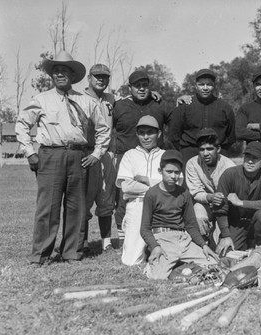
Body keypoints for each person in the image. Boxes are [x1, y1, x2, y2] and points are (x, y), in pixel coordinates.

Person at [15, 51, 110, 264]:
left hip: (80, 156)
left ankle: (72, 252)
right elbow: (21, 125)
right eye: (56, 71)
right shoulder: (41, 100)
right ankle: (41, 254)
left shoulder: (86, 101)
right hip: (51, 155)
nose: (60, 75)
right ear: (52, 75)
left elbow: (104, 130)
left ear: (73, 75)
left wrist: (96, 154)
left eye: (64, 71)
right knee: (47, 207)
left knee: (77, 207)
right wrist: (30, 152)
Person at [113, 70, 172, 242]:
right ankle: (124, 237)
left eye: (144, 85)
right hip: (126, 157)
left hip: (154, 157)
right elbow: (108, 128)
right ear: (129, 88)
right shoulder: (120, 105)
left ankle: (156, 233)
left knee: (156, 193)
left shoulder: (158, 104)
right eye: (137, 86)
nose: (141, 89)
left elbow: (175, 123)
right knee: (124, 197)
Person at [141, 150, 218, 280]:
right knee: (158, 277)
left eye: (177, 172)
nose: (173, 176)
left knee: (213, 264)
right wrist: (154, 246)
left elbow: (191, 225)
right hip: (162, 238)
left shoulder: (184, 193)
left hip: (183, 238)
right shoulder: (152, 194)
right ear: (160, 171)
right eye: (169, 172)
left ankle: (178, 263)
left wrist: (203, 245)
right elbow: (144, 228)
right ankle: (154, 264)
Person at [116, 115, 174, 266]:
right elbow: (126, 187)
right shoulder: (130, 155)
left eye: (150, 132)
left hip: (162, 207)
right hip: (137, 205)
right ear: (137, 134)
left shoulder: (166, 155)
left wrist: (144, 181)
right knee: (131, 261)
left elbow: (174, 183)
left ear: (159, 134)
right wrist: (159, 185)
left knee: (169, 259)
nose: (146, 137)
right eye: (142, 133)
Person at [80, 64, 117, 252]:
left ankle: (107, 242)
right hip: (87, 153)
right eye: (97, 76)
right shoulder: (78, 98)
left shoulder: (111, 98)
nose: (101, 80)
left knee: (106, 198)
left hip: (107, 154)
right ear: (89, 77)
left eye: (105, 77)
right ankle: (84, 243)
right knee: (84, 198)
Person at [214, 141, 261, 254]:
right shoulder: (229, 174)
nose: (250, 161)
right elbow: (219, 208)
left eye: (255, 158)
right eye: (247, 156)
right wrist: (226, 235)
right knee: (226, 254)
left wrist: (241, 203)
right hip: (236, 224)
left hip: (256, 222)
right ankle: (245, 244)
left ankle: (260, 245)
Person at [169, 68, 236, 161]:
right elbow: (173, 134)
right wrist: (185, 151)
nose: (205, 88)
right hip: (190, 154)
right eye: (201, 84)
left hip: (217, 154)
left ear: (214, 86)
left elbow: (231, 136)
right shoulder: (185, 106)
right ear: (196, 86)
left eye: (209, 84)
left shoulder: (225, 107)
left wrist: (219, 149)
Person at [185, 128, 235, 243]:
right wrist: (210, 197)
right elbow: (196, 192)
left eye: (209, 149)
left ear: (218, 149)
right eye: (202, 149)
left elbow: (233, 195)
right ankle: (202, 243)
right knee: (198, 215)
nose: (205, 153)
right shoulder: (192, 163)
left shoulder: (229, 166)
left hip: (225, 207)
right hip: (204, 203)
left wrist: (220, 200)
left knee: (222, 244)